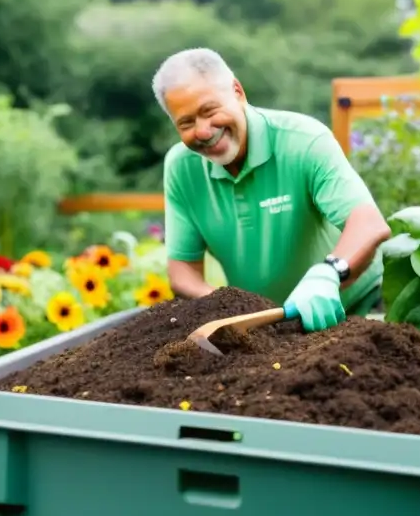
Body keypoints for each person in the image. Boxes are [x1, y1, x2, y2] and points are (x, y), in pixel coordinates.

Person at [152, 47, 390, 331]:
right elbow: (183, 270)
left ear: (237, 91)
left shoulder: (303, 140)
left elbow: (368, 223)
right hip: (272, 331)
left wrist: (328, 274)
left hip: (353, 308)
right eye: (186, 123)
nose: (203, 131)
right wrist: (233, 311)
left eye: (209, 111)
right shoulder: (182, 168)